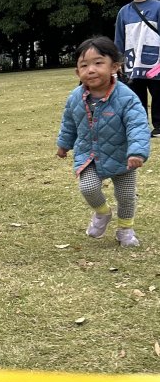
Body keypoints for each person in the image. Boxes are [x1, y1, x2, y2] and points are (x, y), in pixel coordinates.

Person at [57, 37, 150, 248]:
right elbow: (69, 123)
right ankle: (102, 213)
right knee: (88, 187)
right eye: (84, 65)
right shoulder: (75, 97)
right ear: (77, 72)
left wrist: (136, 152)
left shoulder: (127, 97)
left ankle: (125, 229)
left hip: (122, 156)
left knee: (126, 196)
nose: (91, 69)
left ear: (114, 66)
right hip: (89, 155)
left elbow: (137, 125)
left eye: (98, 63)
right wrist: (64, 144)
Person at [114, 0, 160, 137]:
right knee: (136, 96)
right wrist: (117, 61)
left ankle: (159, 127)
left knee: (158, 92)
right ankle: (139, 127)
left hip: (156, 62)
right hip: (132, 61)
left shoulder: (158, 6)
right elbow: (119, 39)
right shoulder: (123, 12)